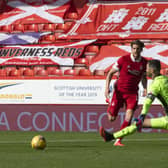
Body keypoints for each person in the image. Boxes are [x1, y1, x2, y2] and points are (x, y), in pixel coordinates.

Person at [100, 59, 168, 143]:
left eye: (147, 68)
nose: (145, 70)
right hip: (166, 120)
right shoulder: (165, 79)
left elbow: (148, 102)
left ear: (152, 70)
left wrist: (142, 115)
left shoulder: (156, 84)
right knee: (138, 124)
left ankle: (111, 137)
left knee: (139, 123)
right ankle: (111, 137)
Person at [103, 40, 147, 146]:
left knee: (129, 115)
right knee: (111, 119)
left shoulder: (144, 62)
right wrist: (106, 89)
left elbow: (144, 77)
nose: (135, 51)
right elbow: (110, 73)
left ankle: (118, 140)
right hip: (119, 91)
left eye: (138, 49)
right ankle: (110, 102)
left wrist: (145, 87)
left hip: (132, 93)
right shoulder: (123, 59)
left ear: (141, 49)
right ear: (131, 49)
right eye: (134, 48)